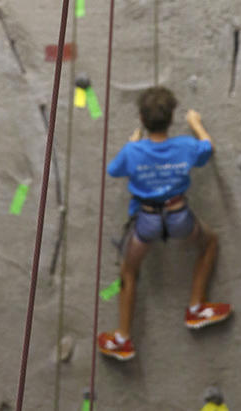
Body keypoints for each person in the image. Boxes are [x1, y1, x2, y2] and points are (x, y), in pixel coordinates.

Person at [97, 87, 231, 361]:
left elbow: (113, 170)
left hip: (146, 221)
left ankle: (123, 338)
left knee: (129, 270)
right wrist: (196, 125)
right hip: (179, 215)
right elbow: (208, 148)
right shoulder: (185, 146)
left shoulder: (133, 151)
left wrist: (132, 144)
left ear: (141, 119)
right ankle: (195, 307)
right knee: (209, 243)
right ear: (171, 119)